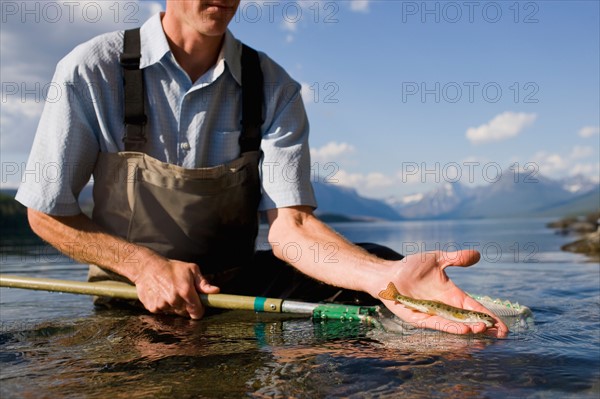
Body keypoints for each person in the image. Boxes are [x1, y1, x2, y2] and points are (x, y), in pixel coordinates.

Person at [16, 0, 508, 337]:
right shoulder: (90, 70)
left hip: (234, 283)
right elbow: (46, 212)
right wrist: (143, 267)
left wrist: (385, 277)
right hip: (129, 291)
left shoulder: (275, 86)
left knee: (373, 263)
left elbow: (291, 229)